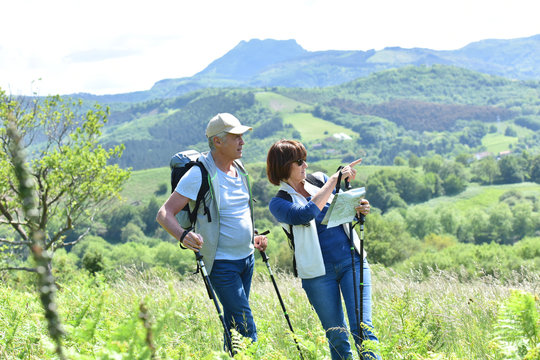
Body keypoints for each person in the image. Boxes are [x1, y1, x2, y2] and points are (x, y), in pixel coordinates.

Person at [156, 113, 268, 351]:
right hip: (221, 263)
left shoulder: (239, 168)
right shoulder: (199, 174)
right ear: (217, 142)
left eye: (241, 136)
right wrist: (184, 237)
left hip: (246, 259)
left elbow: (238, 211)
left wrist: (253, 236)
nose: (242, 142)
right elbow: (164, 213)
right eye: (235, 137)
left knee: (234, 323)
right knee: (246, 326)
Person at [266, 139, 381, 360]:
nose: (305, 165)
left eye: (305, 160)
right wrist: (334, 180)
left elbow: (340, 212)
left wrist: (359, 209)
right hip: (318, 274)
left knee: (363, 330)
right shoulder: (278, 203)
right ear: (284, 165)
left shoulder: (319, 180)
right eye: (299, 161)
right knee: (337, 337)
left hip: (351, 261)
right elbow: (305, 214)